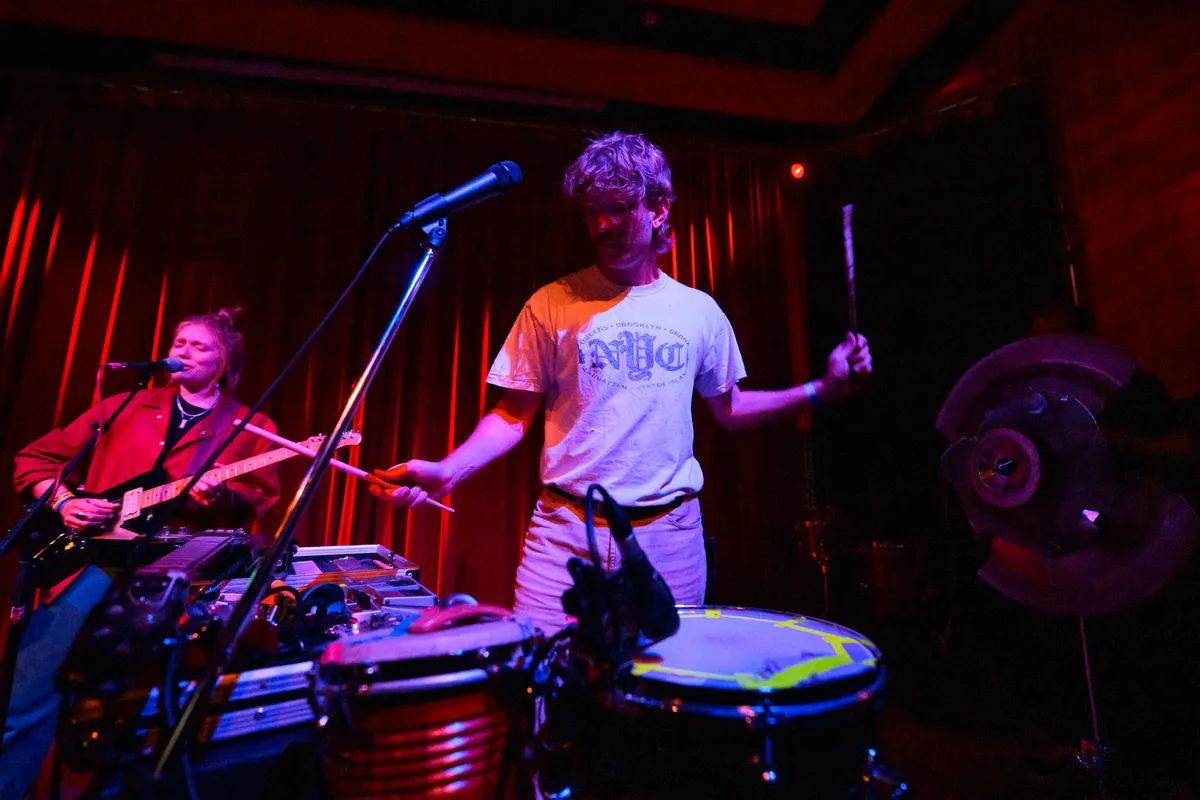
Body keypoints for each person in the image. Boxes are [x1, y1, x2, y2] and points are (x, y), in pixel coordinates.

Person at [372, 132, 872, 635]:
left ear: (658, 209)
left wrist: (821, 390)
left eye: (618, 208)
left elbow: (731, 409)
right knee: (547, 671)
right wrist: (449, 471)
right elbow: (512, 413)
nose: (601, 225)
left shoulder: (699, 311)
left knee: (664, 675)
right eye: (592, 211)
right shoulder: (552, 303)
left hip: (669, 538)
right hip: (564, 534)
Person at [0, 308, 280, 799]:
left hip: (178, 577)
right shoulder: (126, 405)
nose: (183, 352)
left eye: (198, 346)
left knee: (140, 707)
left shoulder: (249, 425)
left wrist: (223, 495)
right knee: (31, 688)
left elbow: (257, 499)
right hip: (93, 562)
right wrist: (65, 502)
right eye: (178, 343)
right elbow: (36, 458)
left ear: (222, 362)